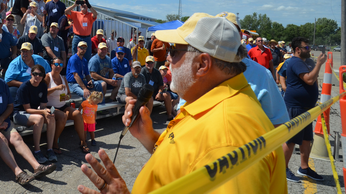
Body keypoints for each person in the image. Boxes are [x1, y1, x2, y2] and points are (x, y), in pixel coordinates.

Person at [77, 13, 287, 194]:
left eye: (175, 51)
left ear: (202, 64)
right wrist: (149, 137)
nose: (167, 58)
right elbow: (189, 161)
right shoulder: (210, 101)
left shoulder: (228, 136)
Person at [0, 58, 56, 186]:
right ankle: (18, 173)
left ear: (0, 70)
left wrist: (2, 119)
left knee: (17, 137)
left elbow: (10, 106)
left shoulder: (2, 84)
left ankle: (37, 167)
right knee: (0, 139)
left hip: (2, 120)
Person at [281, 37, 326, 183]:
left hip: (305, 108)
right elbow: (309, 79)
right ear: (297, 50)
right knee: (291, 140)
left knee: (306, 139)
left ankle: (304, 167)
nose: (309, 50)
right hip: (296, 106)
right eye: (306, 48)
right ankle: (282, 169)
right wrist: (319, 64)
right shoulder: (295, 62)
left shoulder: (305, 62)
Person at [13, 64, 57, 164]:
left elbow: (42, 107)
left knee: (51, 118)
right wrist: (43, 112)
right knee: (39, 118)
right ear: (31, 74)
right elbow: (27, 109)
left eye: (40, 74)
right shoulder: (24, 86)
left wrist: (47, 112)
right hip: (19, 114)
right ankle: (37, 151)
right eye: (35, 74)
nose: (37, 76)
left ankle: (50, 149)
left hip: (33, 112)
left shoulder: (43, 86)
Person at [45, 57, 88, 153]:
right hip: (50, 107)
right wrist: (56, 89)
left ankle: (83, 141)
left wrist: (66, 97)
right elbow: (43, 93)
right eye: (56, 64)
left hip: (62, 105)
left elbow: (69, 94)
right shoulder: (48, 77)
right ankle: (54, 143)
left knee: (77, 113)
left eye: (60, 64)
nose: (58, 66)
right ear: (52, 65)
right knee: (63, 116)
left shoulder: (63, 78)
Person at [142, 55, 173, 120]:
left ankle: (169, 115)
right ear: (145, 63)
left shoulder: (156, 72)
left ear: (154, 63)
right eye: (148, 63)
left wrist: (159, 93)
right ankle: (147, 118)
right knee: (150, 98)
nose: (149, 64)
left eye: (151, 63)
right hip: (145, 93)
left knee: (167, 95)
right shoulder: (142, 72)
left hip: (155, 92)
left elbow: (161, 85)